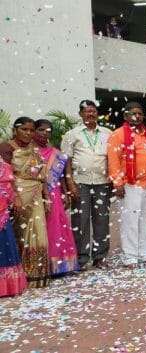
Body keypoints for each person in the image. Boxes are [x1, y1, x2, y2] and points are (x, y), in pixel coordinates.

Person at [61, 99, 112, 270]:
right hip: (80, 182)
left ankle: (100, 257)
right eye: (86, 111)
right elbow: (65, 160)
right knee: (80, 221)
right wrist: (70, 184)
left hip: (102, 182)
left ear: (97, 114)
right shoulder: (72, 134)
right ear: (80, 114)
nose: (90, 114)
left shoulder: (107, 133)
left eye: (93, 111)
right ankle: (81, 259)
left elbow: (112, 157)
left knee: (102, 221)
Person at [0, 117, 51, 288]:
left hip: (35, 195)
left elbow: (41, 174)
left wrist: (46, 195)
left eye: (31, 130)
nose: (28, 133)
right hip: (17, 196)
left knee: (37, 233)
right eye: (24, 129)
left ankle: (35, 275)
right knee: (17, 233)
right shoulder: (6, 147)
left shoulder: (34, 149)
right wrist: (15, 196)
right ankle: (16, 276)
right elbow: (4, 176)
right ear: (15, 130)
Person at [108, 102, 146, 267]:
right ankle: (130, 256)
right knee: (130, 221)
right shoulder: (118, 134)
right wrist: (117, 183)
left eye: (139, 113)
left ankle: (145, 253)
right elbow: (113, 160)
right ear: (125, 116)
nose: (137, 116)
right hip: (130, 185)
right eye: (133, 113)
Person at [34, 119, 79, 275]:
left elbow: (60, 177)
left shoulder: (55, 153)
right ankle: (40, 266)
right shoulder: (29, 152)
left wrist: (66, 193)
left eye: (48, 130)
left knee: (56, 228)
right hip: (34, 194)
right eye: (41, 130)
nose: (45, 133)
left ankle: (59, 266)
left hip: (54, 193)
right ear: (34, 131)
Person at [0, 158, 27, 296]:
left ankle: (7, 286)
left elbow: (9, 185)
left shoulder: (4, 167)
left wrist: (15, 196)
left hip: (2, 210)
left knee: (5, 245)